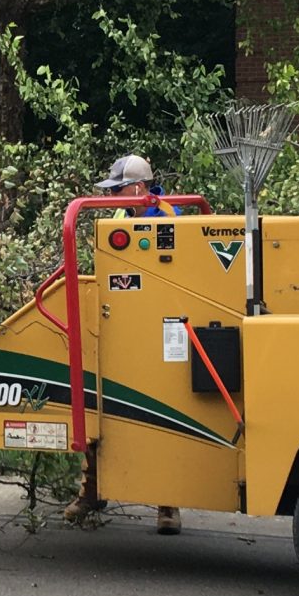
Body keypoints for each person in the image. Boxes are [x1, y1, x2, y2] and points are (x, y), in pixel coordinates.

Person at [64, 153, 181, 534]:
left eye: (117, 190)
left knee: (164, 417)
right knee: (101, 410)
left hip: (161, 332)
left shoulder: (168, 218)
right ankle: (93, 492)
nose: (112, 196)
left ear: (137, 188)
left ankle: (168, 505)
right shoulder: (118, 218)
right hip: (118, 330)